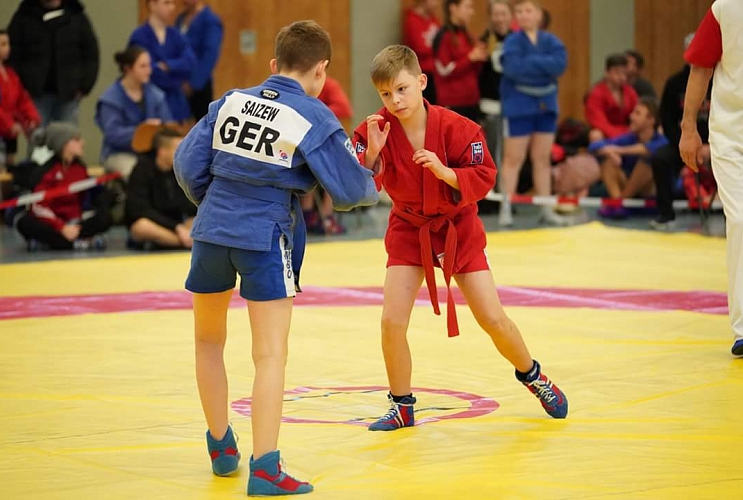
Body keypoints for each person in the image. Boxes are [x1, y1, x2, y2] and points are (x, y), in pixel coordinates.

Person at [173, 20, 379, 495]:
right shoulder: (313, 114)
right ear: (321, 70)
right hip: (265, 235)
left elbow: (186, 166)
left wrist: (216, 202)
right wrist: (372, 168)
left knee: (208, 341)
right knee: (269, 356)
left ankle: (222, 447)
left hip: (211, 229)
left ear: (273, 66)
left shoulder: (229, 101)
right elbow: (349, 193)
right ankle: (265, 467)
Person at [352, 45, 568, 433]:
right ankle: (401, 405)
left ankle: (534, 375)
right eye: (385, 94)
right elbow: (356, 190)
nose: (394, 100)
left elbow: (485, 176)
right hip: (409, 227)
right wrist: (371, 157)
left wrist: (445, 172)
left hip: (457, 227)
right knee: (390, 321)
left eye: (402, 89)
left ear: (421, 82)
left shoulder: (458, 128)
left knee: (492, 318)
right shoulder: (374, 130)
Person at [679, 0, 743, 356]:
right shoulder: (725, 8)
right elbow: (701, 67)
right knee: (740, 220)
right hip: (730, 132)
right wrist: (689, 128)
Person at [497, 0, 567, 226]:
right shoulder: (512, 41)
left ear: (539, 15)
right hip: (518, 106)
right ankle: (505, 208)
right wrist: (542, 68)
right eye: (519, 11)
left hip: (546, 105)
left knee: (542, 158)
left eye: (528, 11)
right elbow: (513, 69)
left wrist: (531, 64)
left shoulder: (551, 41)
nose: (523, 15)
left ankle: (546, 208)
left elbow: (559, 64)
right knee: (513, 158)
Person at [15, 122, 111, 250]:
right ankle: (76, 242)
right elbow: (39, 208)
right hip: (53, 221)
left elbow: (89, 197)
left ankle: (54, 243)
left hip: (75, 221)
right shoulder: (46, 172)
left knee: (105, 218)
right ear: (63, 144)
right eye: (76, 140)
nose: (82, 143)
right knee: (24, 223)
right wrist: (62, 227)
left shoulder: (80, 168)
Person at [650, 33, 711, 230]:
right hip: (683, 142)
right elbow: (666, 120)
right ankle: (665, 214)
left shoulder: (719, 81)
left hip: (715, 144)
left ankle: (733, 220)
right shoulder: (675, 83)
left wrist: (710, 145)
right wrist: (684, 143)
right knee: (660, 158)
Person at [6, 0, 99, 127]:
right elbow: (12, 54)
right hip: (35, 93)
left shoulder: (76, 16)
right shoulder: (24, 16)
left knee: (67, 140)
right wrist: (19, 87)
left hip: (69, 93)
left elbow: (91, 54)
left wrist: (85, 85)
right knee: (38, 140)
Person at [95, 46, 173, 179]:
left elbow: (168, 126)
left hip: (151, 152)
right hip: (119, 153)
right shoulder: (110, 99)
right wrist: (143, 131)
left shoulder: (156, 95)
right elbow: (113, 135)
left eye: (149, 65)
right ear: (128, 68)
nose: (148, 71)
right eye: (143, 66)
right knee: (137, 174)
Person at [589, 97, 667, 219]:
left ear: (651, 119)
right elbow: (595, 146)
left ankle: (620, 202)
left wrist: (618, 150)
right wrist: (610, 153)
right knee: (609, 161)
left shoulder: (662, 140)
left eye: (637, 113)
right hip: (630, 192)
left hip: (653, 197)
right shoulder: (629, 138)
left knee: (649, 161)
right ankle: (619, 205)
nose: (631, 117)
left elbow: (650, 150)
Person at [125, 128, 195, 250]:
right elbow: (140, 209)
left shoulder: (180, 170)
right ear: (162, 152)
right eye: (178, 150)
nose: (183, 154)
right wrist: (176, 227)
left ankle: (175, 241)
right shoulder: (142, 170)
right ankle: (186, 242)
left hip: (177, 222)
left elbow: (189, 205)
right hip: (155, 222)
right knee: (141, 227)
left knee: (200, 220)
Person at [129, 0, 196, 123]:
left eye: (173, 3)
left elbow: (190, 63)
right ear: (152, 5)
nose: (172, 7)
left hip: (176, 104)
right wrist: (175, 73)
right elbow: (149, 71)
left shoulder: (175, 35)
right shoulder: (140, 36)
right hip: (150, 102)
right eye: (166, 3)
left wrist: (168, 65)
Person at [301, 76, 354, 234]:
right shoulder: (297, 86)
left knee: (330, 164)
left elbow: (345, 109)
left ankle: (326, 216)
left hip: (326, 142)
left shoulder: (329, 85)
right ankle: (308, 214)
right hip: (304, 143)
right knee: (307, 162)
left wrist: (316, 112)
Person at [432, 0, 487, 122]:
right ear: (453, 8)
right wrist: (469, 58)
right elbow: (443, 70)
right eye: (467, 7)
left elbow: (474, 71)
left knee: (475, 140)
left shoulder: (467, 35)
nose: (471, 12)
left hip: (472, 101)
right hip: (453, 104)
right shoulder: (443, 36)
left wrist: (479, 58)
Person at [0, 28, 40, 169]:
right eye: (3, 44)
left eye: (8, 44)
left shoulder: (10, 73)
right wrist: (8, 124)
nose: (8, 48)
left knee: (10, 168)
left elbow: (22, 98)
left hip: (9, 133)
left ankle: (9, 191)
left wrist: (30, 118)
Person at [479, 0, 514, 169]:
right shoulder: (484, 41)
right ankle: (494, 191)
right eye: (496, 14)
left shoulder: (517, 41)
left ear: (510, 16)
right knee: (493, 149)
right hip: (491, 104)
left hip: (514, 104)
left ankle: (507, 190)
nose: (500, 19)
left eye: (503, 14)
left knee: (512, 152)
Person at [175, 0, 223, 122]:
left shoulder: (210, 21)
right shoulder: (180, 18)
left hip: (199, 83)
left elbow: (209, 54)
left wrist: (193, 83)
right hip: (179, 82)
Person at [402, 0, 441, 104]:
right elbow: (420, 48)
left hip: (436, 74)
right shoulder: (412, 20)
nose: (437, 3)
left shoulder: (433, 20)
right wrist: (437, 49)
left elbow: (443, 42)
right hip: (421, 72)